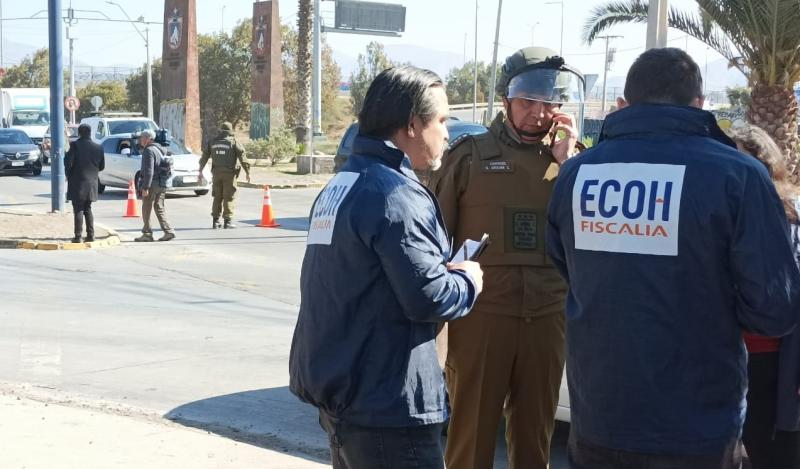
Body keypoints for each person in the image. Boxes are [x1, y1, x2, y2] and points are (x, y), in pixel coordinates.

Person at [546, 47, 800, 469]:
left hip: (598, 421)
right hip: (698, 428)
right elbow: (774, 310)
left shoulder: (577, 173)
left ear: (623, 104)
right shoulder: (737, 175)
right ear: (699, 104)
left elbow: (565, 267)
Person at [289, 66, 484, 469]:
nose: (448, 133)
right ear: (413, 125)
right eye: (443, 120)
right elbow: (429, 297)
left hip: (345, 396)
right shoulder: (396, 194)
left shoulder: (342, 184)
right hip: (388, 407)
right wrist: (466, 279)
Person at [429, 46, 584, 469]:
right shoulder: (469, 157)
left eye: (549, 102)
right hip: (482, 318)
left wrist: (567, 164)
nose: (539, 112)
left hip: (548, 318)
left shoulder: (574, 163)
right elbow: (435, 241)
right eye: (527, 101)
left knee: (535, 438)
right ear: (505, 100)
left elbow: (585, 242)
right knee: (471, 436)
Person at [730, 124, 800, 469]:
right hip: (724, 355)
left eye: (748, 161)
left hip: (773, 361)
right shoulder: (720, 213)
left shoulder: (791, 218)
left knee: (769, 449)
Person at [199, 121, 250, 229]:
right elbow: (243, 158)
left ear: (221, 131)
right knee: (229, 197)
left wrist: (200, 170)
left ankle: (216, 221)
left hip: (216, 174)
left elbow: (204, 157)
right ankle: (228, 221)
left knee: (217, 196)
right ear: (230, 131)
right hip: (229, 175)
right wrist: (247, 172)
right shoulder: (234, 142)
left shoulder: (212, 142)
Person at [64, 123, 104, 243]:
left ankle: (78, 236)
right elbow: (101, 166)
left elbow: (68, 163)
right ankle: (91, 235)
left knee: (78, 209)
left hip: (77, 182)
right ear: (90, 133)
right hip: (92, 183)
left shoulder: (74, 145)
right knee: (88, 208)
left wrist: (68, 174)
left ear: (79, 133)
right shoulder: (99, 147)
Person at [135, 129, 175, 242]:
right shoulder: (162, 149)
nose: (140, 140)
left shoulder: (148, 151)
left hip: (152, 184)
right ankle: (168, 231)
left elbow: (148, 171)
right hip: (162, 183)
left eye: (142, 138)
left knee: (146, 208)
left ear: (149, 139)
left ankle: (147, 234)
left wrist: (145, 187)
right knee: (159, 207)